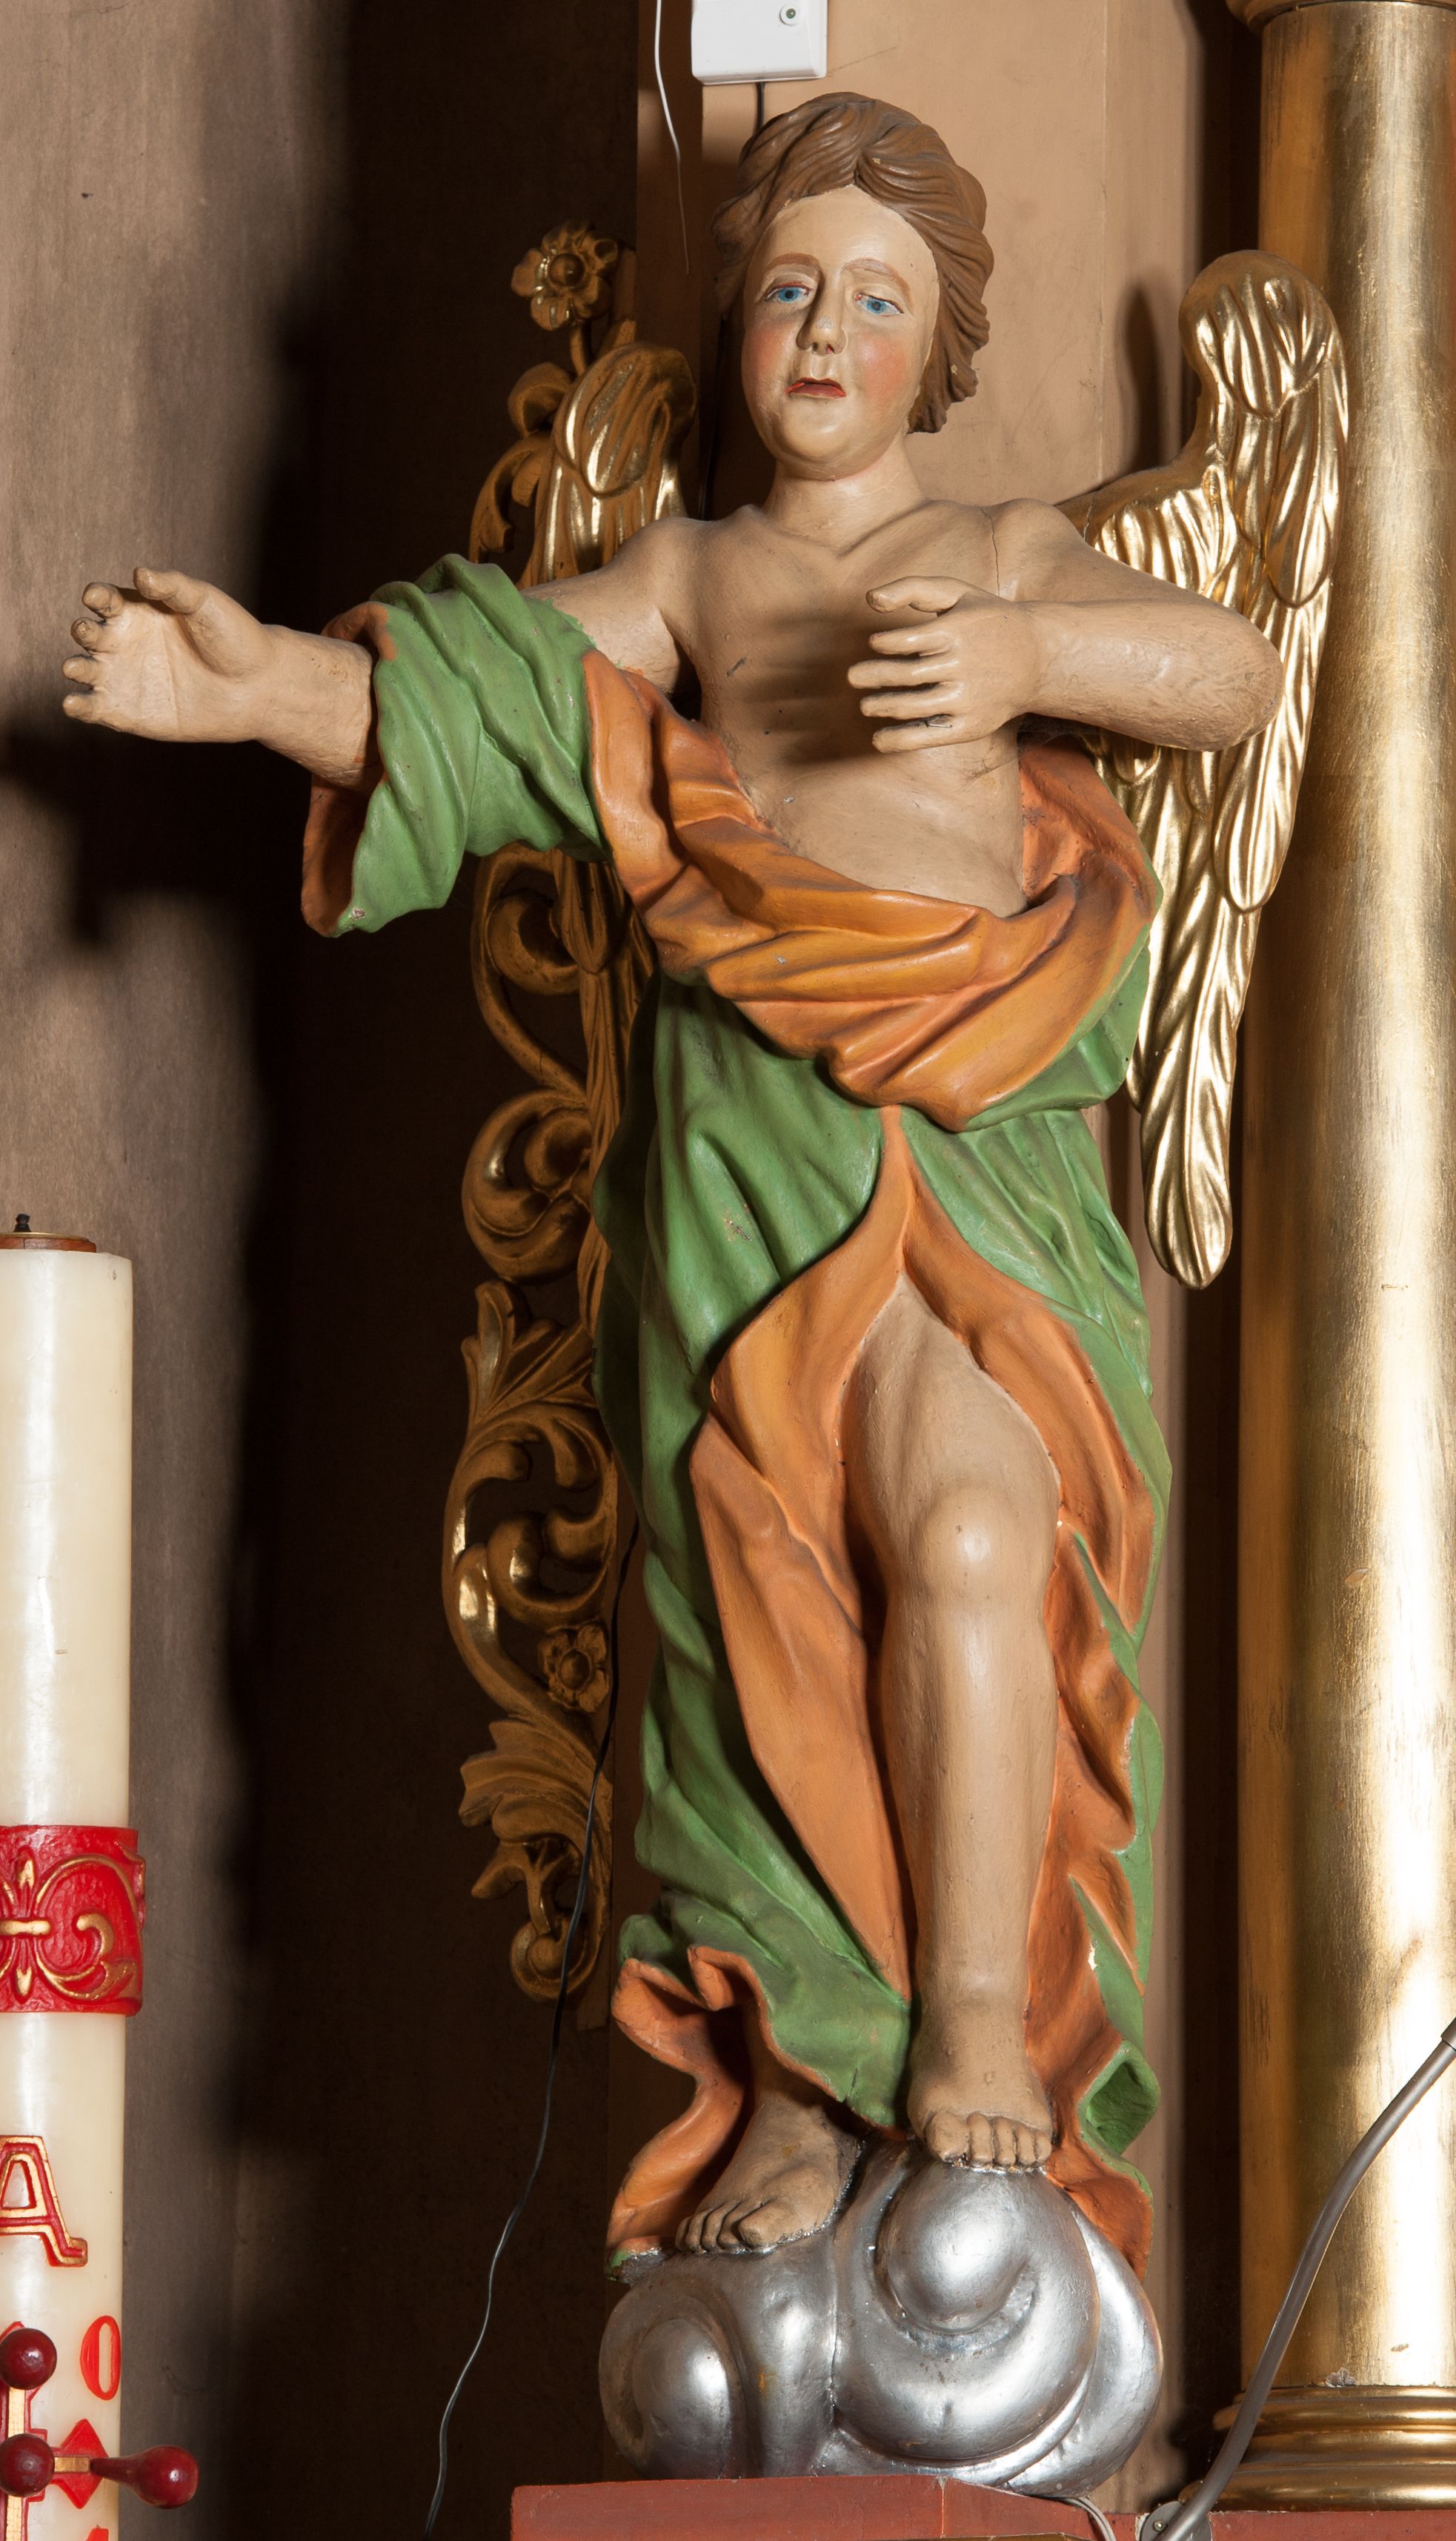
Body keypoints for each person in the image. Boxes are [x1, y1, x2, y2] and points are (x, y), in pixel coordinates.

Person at [62, 93, 1278, 2278]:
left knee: (978, 1533)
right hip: (755, 1152)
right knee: (765, 1606)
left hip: (976, 1135)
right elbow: (493, 703)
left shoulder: (998, 551)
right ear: (734, 321)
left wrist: (1031, 660)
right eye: (791, 287)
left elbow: (1230, 668)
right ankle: (797, 2079)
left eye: (878, 300)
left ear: (941, 347)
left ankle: (973, 2018)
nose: (824, 333)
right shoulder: (697, 579)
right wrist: (261, 691)